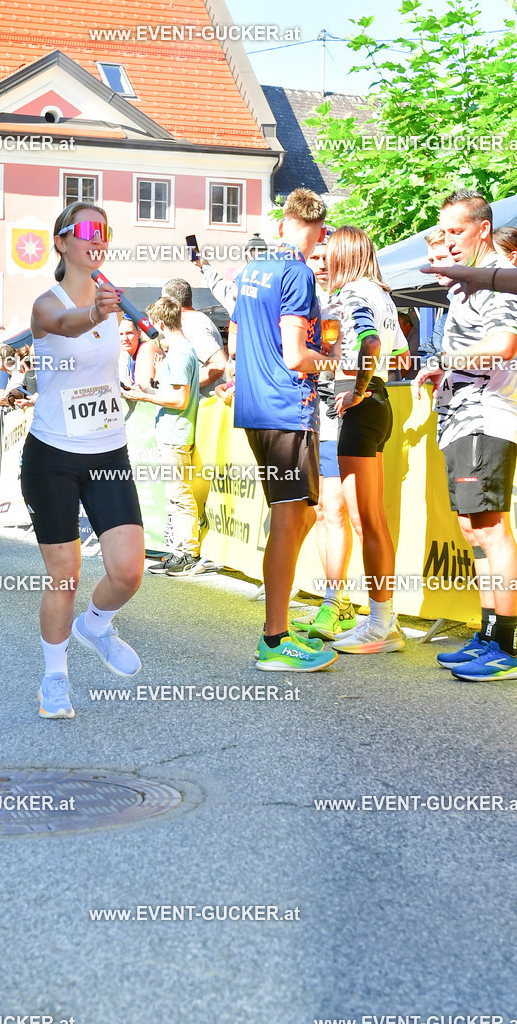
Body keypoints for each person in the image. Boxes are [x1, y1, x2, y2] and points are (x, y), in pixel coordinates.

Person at [20, 201, 145, 719]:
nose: (98, 238)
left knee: (129, 572)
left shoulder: (114, 298)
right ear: (62, 242)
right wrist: (96, 312)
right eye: (87, 229)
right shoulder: (45, 305)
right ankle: (54, 677)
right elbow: (68, 325)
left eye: (105, 231)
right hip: (52, 453)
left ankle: (94, 625)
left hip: (107, 448)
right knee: (65, 573)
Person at [229, 187, 339, 672]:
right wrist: (335, 361)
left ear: (282, 223)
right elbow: (296, 356)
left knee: (297, 517)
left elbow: (236, 341)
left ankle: (277, 630)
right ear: (318, 231)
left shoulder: (252, 269)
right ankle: (275, 638)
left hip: (256, 407)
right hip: (285, 409)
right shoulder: (297, 272)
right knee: (290, 519)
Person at [414, 189, 517, 681]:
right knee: (473, 530)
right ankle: (487, 632)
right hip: (462, 416)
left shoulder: (495, 279)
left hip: (485, 417)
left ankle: (505, 644)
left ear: (482, 228)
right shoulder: (465, 285)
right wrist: (444, 373)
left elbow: (502, 345)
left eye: (456, 232)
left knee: (492, 530)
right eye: (444, 232)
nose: (448, 242)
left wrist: (441, 361)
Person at [326, 225, 410, 655]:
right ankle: (382, 620)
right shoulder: (382, 295)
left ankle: (381, 625)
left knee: (366, 521)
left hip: (364, 406)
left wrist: (357, 388)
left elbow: (372, 343)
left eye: (329, 254)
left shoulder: (355, 293)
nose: (323, 262)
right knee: (370, 520)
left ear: (344, 256)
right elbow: (397, 351)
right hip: (379, 404)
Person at [290, 234, 358, 641]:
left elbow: (393, 352)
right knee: (318, 511)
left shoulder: (345, 300)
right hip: (307, 416)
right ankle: (339, 604)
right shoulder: (304, 299)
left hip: (338, 415)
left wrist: (348, 370)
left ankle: (335, 604)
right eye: (313, 255)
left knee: (334, 510)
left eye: (325, 255)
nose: (319, 261)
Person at [124, 297, 201, 575]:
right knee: (175, 494)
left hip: (176, 432)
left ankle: (187, 553)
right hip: (173, 430)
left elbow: (180, 400)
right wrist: (144, 394)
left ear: (158, 323)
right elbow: (176, 395)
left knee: (179, 494)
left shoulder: (179, 352)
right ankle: (180, 551)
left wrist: (145, 395)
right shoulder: (180, 349)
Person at [161, 279, 226, 395]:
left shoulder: (193, 324)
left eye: (162, 300)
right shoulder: (194, 320)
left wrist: (187, 387)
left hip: (203, 406)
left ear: (170, 301)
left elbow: (219, 364)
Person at [418, 229, 452, 366]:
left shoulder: (481, 296)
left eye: (442, 258)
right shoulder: (444, 318)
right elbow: (425, 354)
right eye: (432, 260)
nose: (435, 267)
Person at [118, 315, 160, 389]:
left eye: (129, 333)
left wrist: (126, 385)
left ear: (139, 333)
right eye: (120, 334)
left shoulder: (147, 348)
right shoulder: (125, 353)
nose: (125, 338)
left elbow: (146, 387)